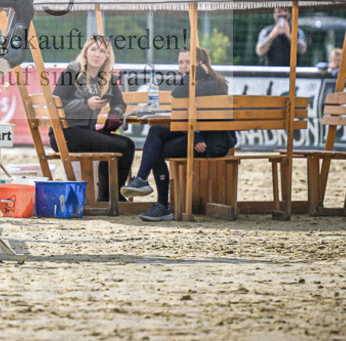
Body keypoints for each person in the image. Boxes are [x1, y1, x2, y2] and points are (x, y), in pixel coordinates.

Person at [121, 46, 235, 222]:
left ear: (200, 64)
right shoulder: (195, 83)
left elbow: (177, 94)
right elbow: (185, 115)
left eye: (188, 62)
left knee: (155, 148)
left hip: (212, 143)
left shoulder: (211, 83)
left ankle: (160, 203)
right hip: (197, 136)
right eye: (180, 62)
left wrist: (196, 136)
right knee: (156, 131)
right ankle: (143, 182)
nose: (183, 66)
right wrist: (195, 135)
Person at [51, 35, 135, 202]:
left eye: (102, 51)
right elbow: (56, 104)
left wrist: (114, 114)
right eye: (93, 49)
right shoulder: (73, 71)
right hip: (66, 134)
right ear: (86, 52)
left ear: (107, 56)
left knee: (127, 144)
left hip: (87, 133)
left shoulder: (108, 77)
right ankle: (111, 195)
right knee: (117, 145)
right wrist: (85, 104)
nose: (97, 54)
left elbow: (120, 103)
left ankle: (108, 194)